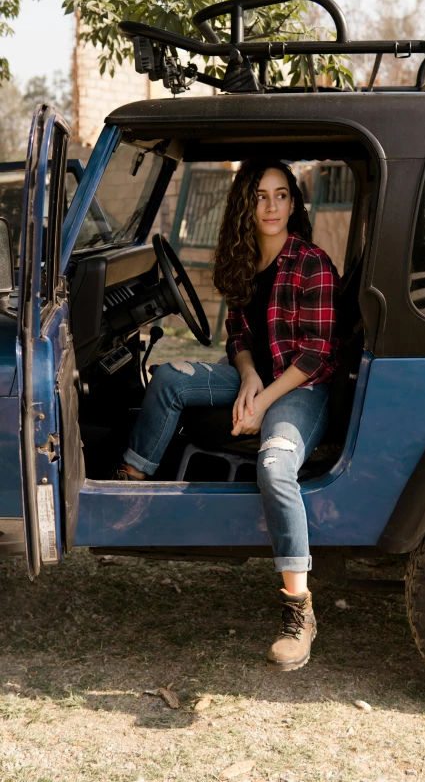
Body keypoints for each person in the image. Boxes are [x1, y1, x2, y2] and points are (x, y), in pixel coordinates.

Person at [117, 159, 340, 671]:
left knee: (275, 466)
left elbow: (315, 355)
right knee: (170, 379)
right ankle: (128, 491)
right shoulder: (240, 260)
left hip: (302, 388)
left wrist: (262, 403)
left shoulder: (311, 262)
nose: (271, 206)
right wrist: (246, 377)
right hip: (258, 378)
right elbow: (237, 337)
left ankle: (299, 610)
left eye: (281, 195)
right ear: (246, 203)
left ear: (293, 203)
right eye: (260, 196)